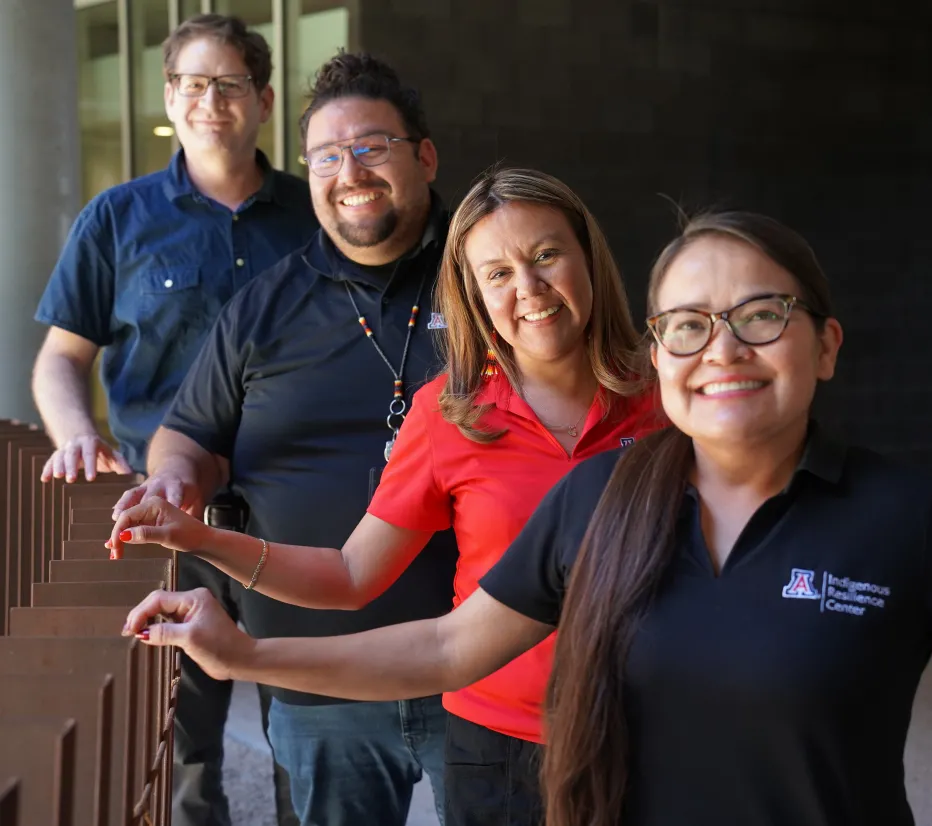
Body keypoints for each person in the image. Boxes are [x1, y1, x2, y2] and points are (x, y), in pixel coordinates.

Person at [118, 209, 932, 826]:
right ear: (659, 354)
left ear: (825, 344)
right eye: (689, 324)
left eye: (761, 315)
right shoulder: (601, 499)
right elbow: (439, 647)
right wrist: (244, 652)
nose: (723, 348)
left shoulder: (909, 517)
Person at [109, 166, 665, 826]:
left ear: (589, 259)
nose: (530, 289)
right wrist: (198, 537)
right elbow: (350, 575)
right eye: (498, 273)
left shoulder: (670, 397)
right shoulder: (450, 414)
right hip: (501, 747)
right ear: (473, 295)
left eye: (547, 255)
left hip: (655, 731)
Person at [107, 50, 460, 826]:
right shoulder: (265, 306)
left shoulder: (487, 282)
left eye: (372, 147)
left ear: (424, 156)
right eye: (328, 156)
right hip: (312, 668)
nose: (350, 171)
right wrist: (175, 480)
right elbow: (188, 435)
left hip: (481, 658)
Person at [31, 13, 317, 826]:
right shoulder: (116, 220)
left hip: (294, 515)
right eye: (193, 83)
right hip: (164, 514)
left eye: (229, 84)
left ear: (262, 100)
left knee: (302, 719)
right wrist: (75, 432)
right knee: (177, 731)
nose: (209, 100)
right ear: (168, 96)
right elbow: (59, 360)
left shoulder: (314, 219)